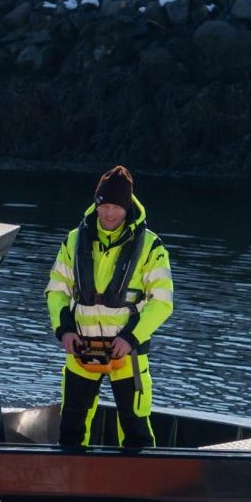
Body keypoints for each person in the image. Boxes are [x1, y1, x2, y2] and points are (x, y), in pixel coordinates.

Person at [45, 165, 174, 451]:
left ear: (127, 207)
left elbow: (162, 302)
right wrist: (64, 330)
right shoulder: (73, 240)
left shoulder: (152, 246)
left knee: (136, 428)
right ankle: (70, 484)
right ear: (97, 204)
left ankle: (142, 486)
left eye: (116, 206)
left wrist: (130, 338)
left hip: (127, 353)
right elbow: (56, 291)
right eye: (104, 205)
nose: (109, 213)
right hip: (81, 350)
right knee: (71, 427)